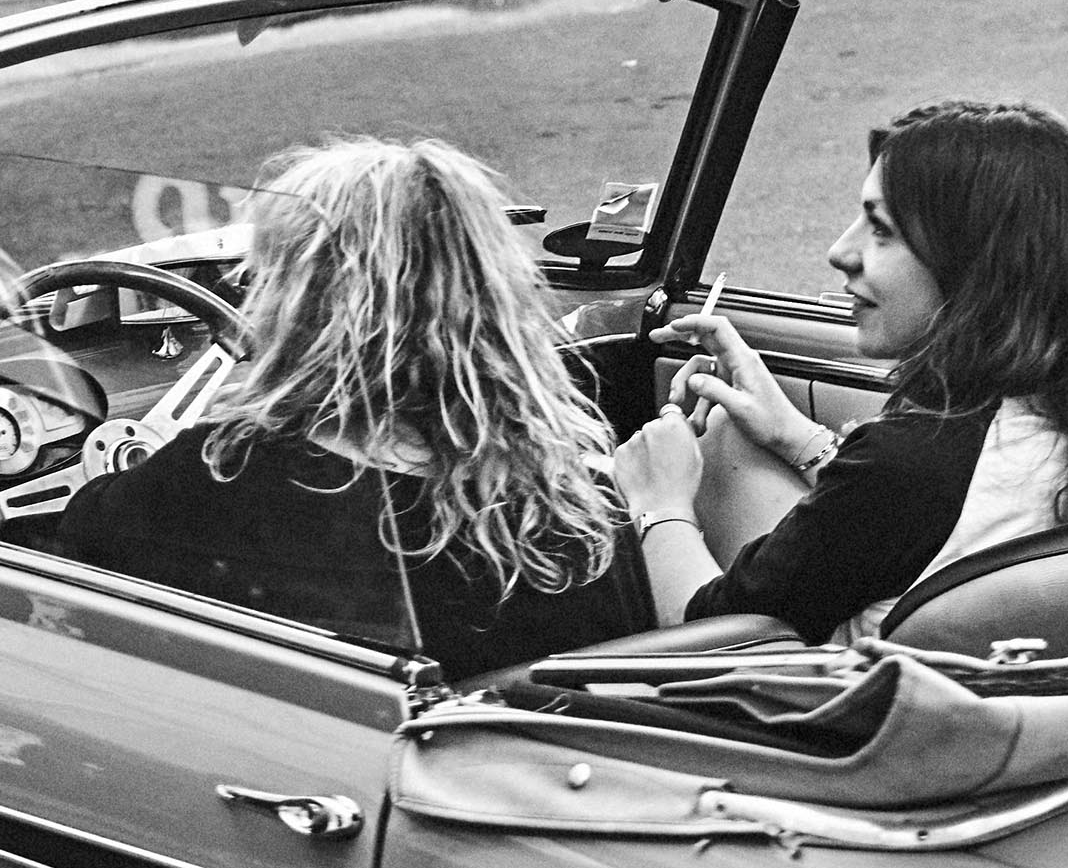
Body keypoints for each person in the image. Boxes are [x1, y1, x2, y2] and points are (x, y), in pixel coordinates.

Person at [55, 134, 653, 681]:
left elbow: (75, 553)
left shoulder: (207, 480)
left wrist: (143, 474)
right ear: (494, 302)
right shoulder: (576, 516)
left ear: (295, 307)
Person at [614, 101, 1068, 645]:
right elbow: (924, 525)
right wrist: (796, 437)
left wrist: (658, 498)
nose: (841, 252)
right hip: (989, 699)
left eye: (881, 228)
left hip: (808, 717)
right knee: (729, 436)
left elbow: (700, 632)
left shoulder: (914, 463)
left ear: (977, 269)